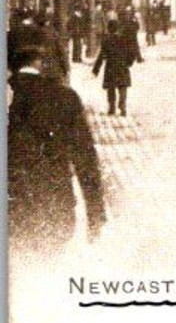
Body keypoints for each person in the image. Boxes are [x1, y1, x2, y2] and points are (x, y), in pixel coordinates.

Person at [9, 39, 106, 257]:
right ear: (40, 63)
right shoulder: (65, 97)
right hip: (53, 204)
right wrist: (95, 214)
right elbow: (85, 159)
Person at [91, 10, 142, 117]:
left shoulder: (106, 41)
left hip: (111, 67)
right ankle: (123, 106)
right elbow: (131, 52)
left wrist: (96, 70)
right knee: (123, 86)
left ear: (109, 29)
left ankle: (112, 107)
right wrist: (129, 62)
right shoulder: (123, 39)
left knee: (111, 88)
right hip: (123, 66)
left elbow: (101, 56)